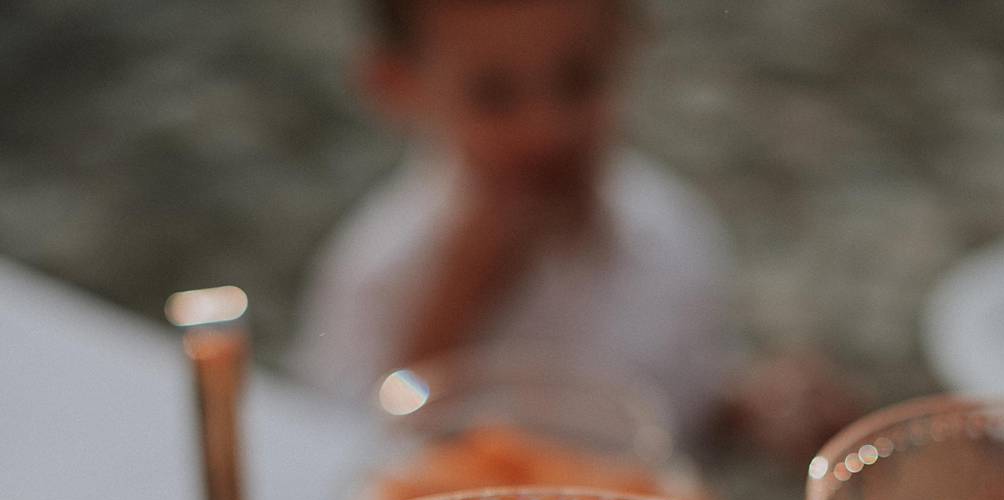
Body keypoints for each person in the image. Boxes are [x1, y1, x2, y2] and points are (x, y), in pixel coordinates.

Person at [290, 0, 857, 460]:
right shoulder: (378, 271)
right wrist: (455, 300)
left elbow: (683, 403)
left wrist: (749, 404)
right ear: (396, 85)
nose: (546, 128)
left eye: (578, 80)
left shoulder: (673, 231)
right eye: (494, 94)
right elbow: (345, 466)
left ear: (626, 42)